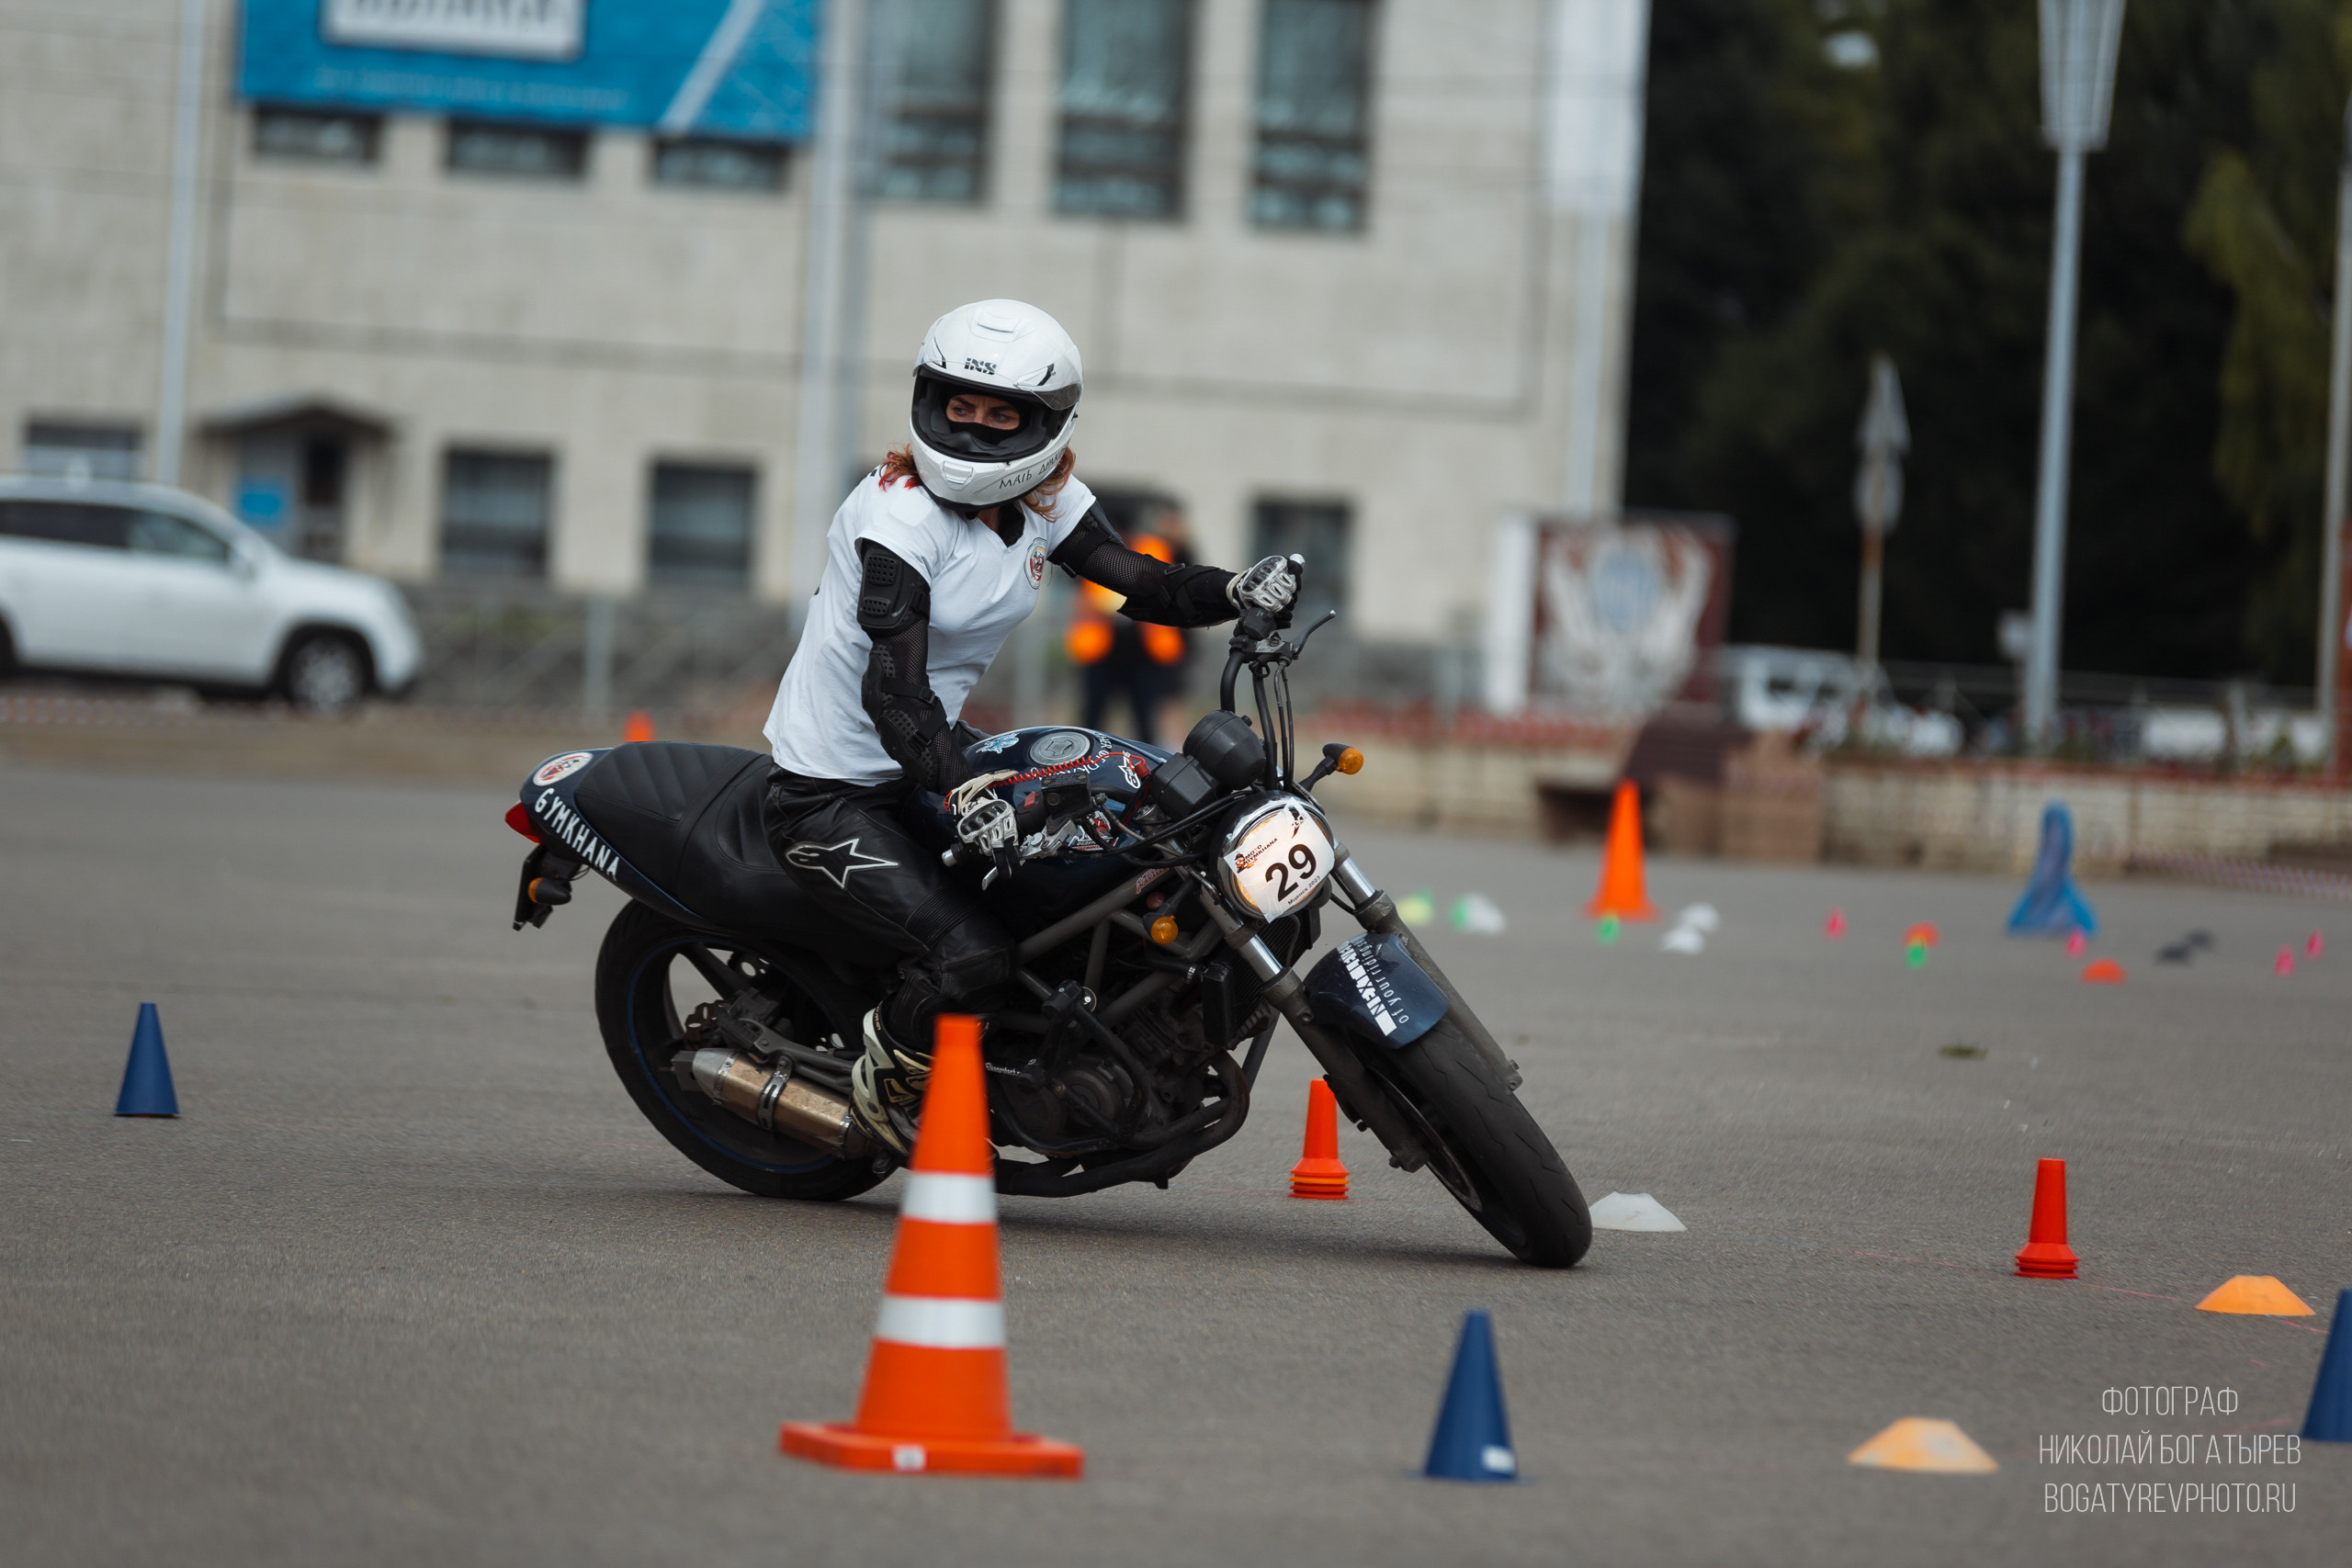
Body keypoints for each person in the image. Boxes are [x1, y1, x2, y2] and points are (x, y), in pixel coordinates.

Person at [760, 299, 1299, 1157]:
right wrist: (968, 783)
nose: (974, 428)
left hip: (928, 760)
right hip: (832, 791)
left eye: (1001, 415)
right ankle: (882, 1083)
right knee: (971, 957)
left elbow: (1142, 584)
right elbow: (894, 695)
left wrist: (1237, 590)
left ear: (1044, 424)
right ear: (929, 401)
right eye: (959, 407)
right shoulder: (896, 520)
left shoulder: (1045, 499)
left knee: (1115, 853)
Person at [1068, 522, 1184, 744]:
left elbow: (1174, 580)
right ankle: (1083, 763)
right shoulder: (1094, 553)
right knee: (1091, 719)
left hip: (1144, 655)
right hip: (1101, 652)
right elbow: (1083, 597)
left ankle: (1148, 769)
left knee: (1144, 721)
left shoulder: (1154, 549)